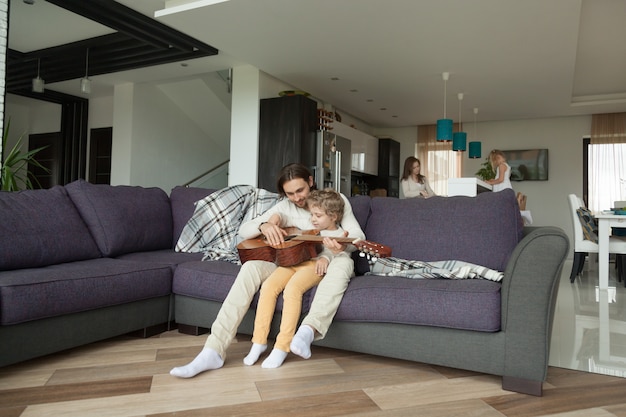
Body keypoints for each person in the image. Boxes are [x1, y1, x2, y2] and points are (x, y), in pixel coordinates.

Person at [170, 163, 365, 378]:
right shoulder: (283, 207)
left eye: (300, 190)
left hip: (327, 260)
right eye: (290, 193)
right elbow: (245, 230)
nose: (297, 198)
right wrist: (265, 225)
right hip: (293, 260)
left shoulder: (333, 201)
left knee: (345, 262)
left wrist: (342, 246)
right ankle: (213, 350)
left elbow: (357, 235)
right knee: (250, 267)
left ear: (310, 182)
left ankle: (309, 331)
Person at [243, 189, 351, 368]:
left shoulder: (341, 235)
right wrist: (273, 221)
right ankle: (259, 341)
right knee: (268, 285)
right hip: (295, 261)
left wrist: (327, 257)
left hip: (313, 266)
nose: (313, 218)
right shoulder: (309, 228)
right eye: (312, 214)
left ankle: (282, 346)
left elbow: (338, 254)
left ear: (333, 216)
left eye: (317, 215)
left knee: (292, 289)